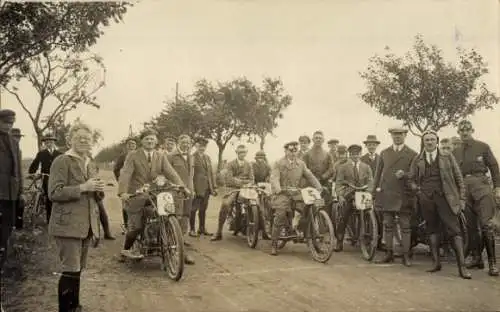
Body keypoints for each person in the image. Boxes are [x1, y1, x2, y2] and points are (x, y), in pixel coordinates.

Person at [48, 121, 104, 312]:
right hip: (68, 224)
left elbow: (94, 194)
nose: (83, 140)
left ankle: (75, 306)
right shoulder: (62, 160)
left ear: (92, 142)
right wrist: (83, 188)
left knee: (77, 269)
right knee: (70, 270)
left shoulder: (90, 162)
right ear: (70, 139)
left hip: (86, 225)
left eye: (87, 138)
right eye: (78, 137)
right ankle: (66, 309)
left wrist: (98, 190)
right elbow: (54, 193)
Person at [408, 130, 471, 279]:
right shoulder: (418, 159)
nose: (429, 142)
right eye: (426, 140)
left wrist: (461, 199)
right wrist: (418, 191)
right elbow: (410, 179)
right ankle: (436, 263)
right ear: (423, 142)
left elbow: (459, 178)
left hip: (446, 199)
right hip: (427, 200)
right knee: (432, 230)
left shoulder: (447, 156)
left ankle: (462, 268)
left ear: (437, 141)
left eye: (432, 139)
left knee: (455, 231)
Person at [118, 129, 187, 261]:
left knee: (166, 214)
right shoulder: (133, 155)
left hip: (155, 192)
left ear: (156, 141)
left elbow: (171, 172)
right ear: (142, 141)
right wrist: (123, 192)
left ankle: (166, 241)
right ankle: (125, 250)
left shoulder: (160, 155)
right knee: (136, 226)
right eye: (147, 139)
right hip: (136, 193)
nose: (150, 141)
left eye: (152, 139)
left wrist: (181, 185)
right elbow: (126, 174)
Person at [452, 120, 499, 276]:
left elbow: (493, 166)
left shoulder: (483, 146)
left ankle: (492, 263)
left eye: (467, 130)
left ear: (472, 130)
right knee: (470, 226)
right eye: (461, 130)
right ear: (458, 132)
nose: (464, 133)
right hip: (465, 190)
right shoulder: (456, 151)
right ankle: (477, 258)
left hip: (482, 187)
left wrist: (497, 187)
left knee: (486, 225)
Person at [373, 127, 418, 266]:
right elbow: (377, 174)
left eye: (400, 135)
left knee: (405, 226)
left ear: (405, 135)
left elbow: (414, 174)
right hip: (387, 192)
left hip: (404, 194)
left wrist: (404, 174)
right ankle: (388, 254)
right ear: (391, 136)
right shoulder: (384, 153)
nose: (397, 137)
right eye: (395, 135)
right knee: (388, 225)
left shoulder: (412, 154)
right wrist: (373, 192)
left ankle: (406, 255)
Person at [269, 141, 322, 256]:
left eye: (295, 151)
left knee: (311, 208)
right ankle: (274, 243)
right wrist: (278, 189)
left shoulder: (301, 164)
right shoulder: (278, 163)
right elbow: (274, 178)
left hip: (296, 193)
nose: (293, 153)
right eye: (290, 150)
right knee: (280, 214)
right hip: (282, 193)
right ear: (285, 151)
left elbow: (309, 175)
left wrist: (318, 187)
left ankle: (311, 239)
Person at [211, 144, 254, 241]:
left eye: (244, 152)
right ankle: (219, 231)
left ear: (246, 153)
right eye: (240, 152)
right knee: (226, 204)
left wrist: (244, 183)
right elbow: (229, 179)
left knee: (256, 204)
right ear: (237, 153)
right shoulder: (230, 164)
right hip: (232, 188)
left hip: (246, 189)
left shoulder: (249, 164)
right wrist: (243, 182)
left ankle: (260, 231)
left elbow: (252, 179)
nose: (242, 154)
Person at [334, 144, 373, 252]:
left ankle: (372, 238)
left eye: (357, 154)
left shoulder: (366, 167)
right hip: (349, 194)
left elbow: (371, 181)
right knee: (344, 214)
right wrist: (340, 195)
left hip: (363, 194)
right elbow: (338, 183)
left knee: (373, 213)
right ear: (349, 155)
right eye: (352, 154)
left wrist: (369, 192)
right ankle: (339, 241)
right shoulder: (343, 167)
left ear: (360, 154)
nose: (355, 156)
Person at [167, 134, 196, 264]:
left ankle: (181, 240)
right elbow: (167, 175)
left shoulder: (191, 157)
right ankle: (175, 247)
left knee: (186, 216)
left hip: (188, 192)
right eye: (183, 142)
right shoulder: (171, 156)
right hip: (176, 192)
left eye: (188, 143)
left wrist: (192, 189)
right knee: (176, 217)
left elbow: (191, 176)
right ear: (178, 143)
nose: (186, 145)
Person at [0, 109, 22, 270]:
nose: (9, 126)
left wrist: (21, 192)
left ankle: (3, 260)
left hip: (11, 193)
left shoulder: (14, 143)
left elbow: (19, 170)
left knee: (7, 227)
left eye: (11, 123)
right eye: (6, 122)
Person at [28, 133, 63, 224]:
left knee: (60, 195)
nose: (49, 143)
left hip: (58, 178)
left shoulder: (60, 154)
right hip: (46, 177)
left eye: (51, 142)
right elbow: (34, 165)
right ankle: (49, 219)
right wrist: (32, 172)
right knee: (49, 196)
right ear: (45, 143)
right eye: (47, 142)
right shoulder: (41, 154)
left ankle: (59, 217)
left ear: (54, 142)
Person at [191, 137, 217, 236]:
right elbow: (191, 174)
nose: (202, 148)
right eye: (200, 146)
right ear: (196, 146)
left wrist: (213, 187)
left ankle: (201, 228)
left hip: (207, 188)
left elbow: (211, 173)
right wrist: (192, 188)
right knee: (193, 209)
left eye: (204, 146)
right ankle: (192, 229)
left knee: (203, 209)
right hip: (196, 187)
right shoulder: (192, 157)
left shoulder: (207, 158)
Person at [113, 138, 137, 234]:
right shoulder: (123, 156)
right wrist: (120, 181)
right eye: (130, 144)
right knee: (126, 206)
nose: (131, 146)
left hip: (137, 184)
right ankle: (126, 226)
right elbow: (116, 169)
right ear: (126, 146)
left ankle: (136, 225)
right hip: (126, 184)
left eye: (133, 144)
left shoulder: (139, 156)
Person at [11, 128, 25, 230]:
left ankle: (17, 225)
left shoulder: (19, 151)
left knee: (20, 203)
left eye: (18, 137)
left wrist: (22, 188)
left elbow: (20, 170)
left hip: (16, 183)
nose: (17, 139)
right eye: (14, 137)